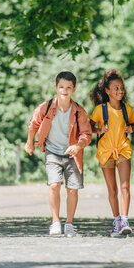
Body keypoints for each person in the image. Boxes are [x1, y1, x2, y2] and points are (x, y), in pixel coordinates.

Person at [25, 71, 92, 237]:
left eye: (69, 87)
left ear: (74, 89)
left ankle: (69, 223)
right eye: (61, 86)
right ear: (56, 88)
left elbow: (87, 134)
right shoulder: (45, 108)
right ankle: (55, 222)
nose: (64, 90)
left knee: (72, 189)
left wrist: (78, 146)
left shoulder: (79, 111)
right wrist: (29, 143)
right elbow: (33, 125)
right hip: (52, 152)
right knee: (54, 185)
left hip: (72, 154)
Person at [89, 69, 134, 237]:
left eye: (121, 88)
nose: (120, 91)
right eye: (116, 88)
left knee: (125, 186)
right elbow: (89, 128)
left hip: (123, 149)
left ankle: (125, 220)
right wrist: (99, 129)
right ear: (107, 91)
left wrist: (131, 128)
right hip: (106, 152)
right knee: (112, 189)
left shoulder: (127, 109)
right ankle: (116, 220)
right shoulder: (100, 110)